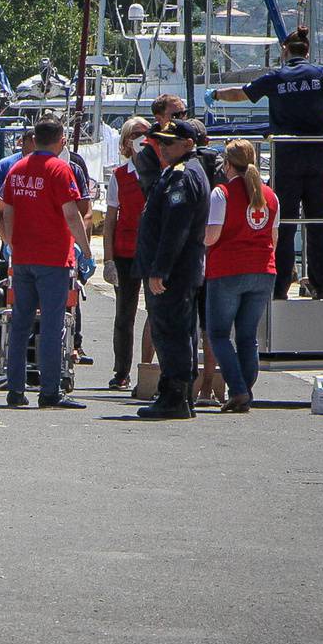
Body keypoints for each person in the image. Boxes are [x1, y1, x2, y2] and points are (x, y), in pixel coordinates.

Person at [210, 27, 323, 298]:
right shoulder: (321, 75)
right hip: (320, 156)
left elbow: (242, 94)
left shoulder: (275, 77)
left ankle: (279, 288)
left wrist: (217, 94)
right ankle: (322, 285)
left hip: (286, 156)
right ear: (307, 51)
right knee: (320, 223)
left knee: (284, 224)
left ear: (284, 50)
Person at [0, 117, 94, 409]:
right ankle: (50, 390)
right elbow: (71, 214)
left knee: (20, 323)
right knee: (52, 326)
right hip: (53, 258)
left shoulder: (17, 169)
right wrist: (87, 251)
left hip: (23, 257)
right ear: (61, 140)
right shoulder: (60, 170)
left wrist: (10, 242)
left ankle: (15, 390)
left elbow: (1, 207)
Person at [134, 118, 212, 420]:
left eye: (168, 143)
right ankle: (177, 393)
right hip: (180, 270)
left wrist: (160, 269)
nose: (162, 148)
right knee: (178, 331)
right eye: (161, 143)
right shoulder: (181, 171)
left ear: (188, 144)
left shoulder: (183, 175)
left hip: (174, 272)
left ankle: (175, 395)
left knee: (171, 332)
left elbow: (175, 228)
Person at [204, 139, 280, 413]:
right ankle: (246, 389)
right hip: (263, 270)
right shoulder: (270, 195)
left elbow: (211, 237)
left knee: (219, 334)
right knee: (248, 336)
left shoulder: (221, 193)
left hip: (227, 269)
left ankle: (236, 389)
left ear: (227, 164)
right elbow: (274, 237)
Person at [102, 117, 153, 391]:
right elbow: (109, 221)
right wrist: (108, 259)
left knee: (156, 312)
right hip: (125, 253)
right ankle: (121, 371)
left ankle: (151, 368)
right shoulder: (120, 177)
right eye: (135, 134)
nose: (141, 138)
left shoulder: (159, 172)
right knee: (124, 315)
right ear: (125, 142)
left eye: (145, 133)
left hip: (153, 252)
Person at [132, 94, 187, 194]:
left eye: (184, 113)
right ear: (159, 118)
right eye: (176, 116)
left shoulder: (192, 137)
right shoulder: (147, 152)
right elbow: (153, 191)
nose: (182, 119)